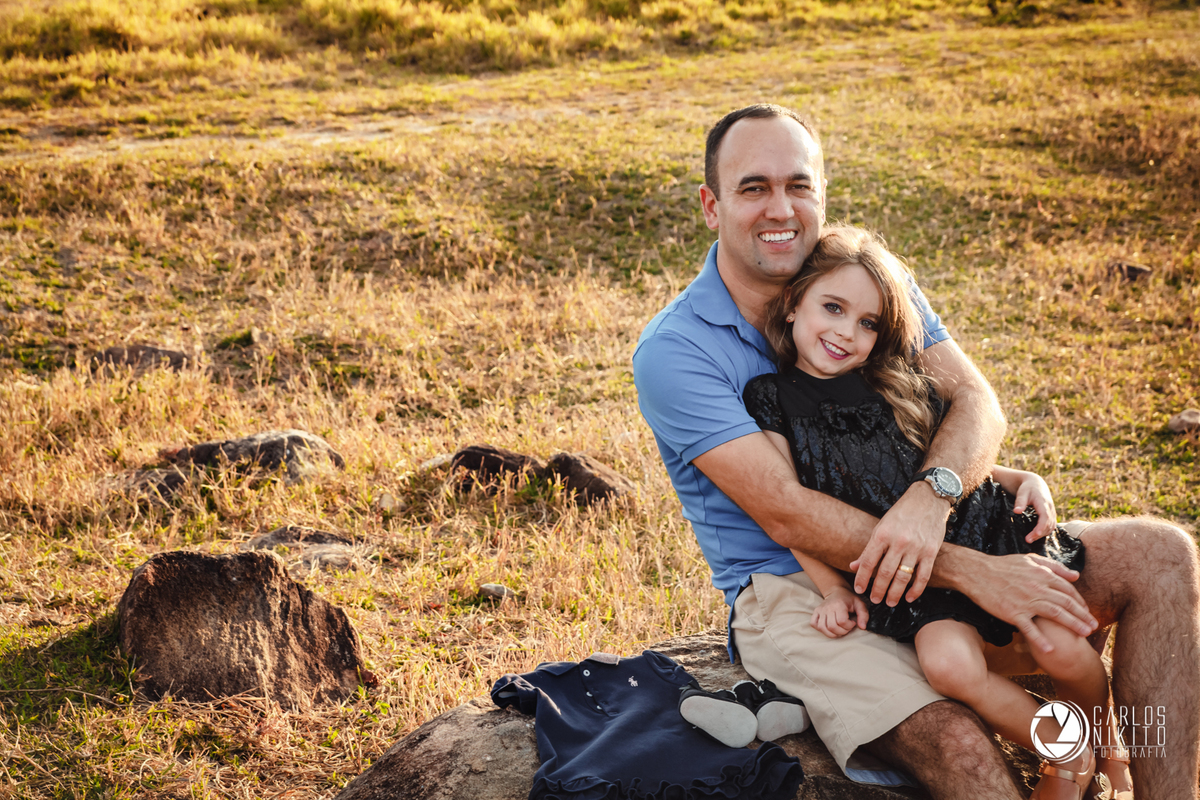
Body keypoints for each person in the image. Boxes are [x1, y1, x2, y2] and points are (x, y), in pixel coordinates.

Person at [632, 103, 1200, 799]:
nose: (780, 207)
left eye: (799, 185)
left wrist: (940, 497)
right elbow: (786, 513)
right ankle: (1071, 755)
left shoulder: (861, 278)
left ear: (821, 194)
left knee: (1162, 552)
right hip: (806, 589)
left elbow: (976, 402)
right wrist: (970, 572)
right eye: (754, 187)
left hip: (939, 529)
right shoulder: (677, 351)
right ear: (711, 205)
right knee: (959, 743)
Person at [743, 223, 1130, 798]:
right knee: (948, 665)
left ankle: (1111, 746)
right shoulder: (772, 399)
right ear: (795, 303)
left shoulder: (895, 383)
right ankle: (1066, 753)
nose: (846, 333)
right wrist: (832, 591)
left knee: (1065, 650)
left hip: (986, 532)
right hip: (918, 576)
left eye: (868, 322)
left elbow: (942, 462)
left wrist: (1024, 477)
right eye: (833, 307)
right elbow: (795, 517)